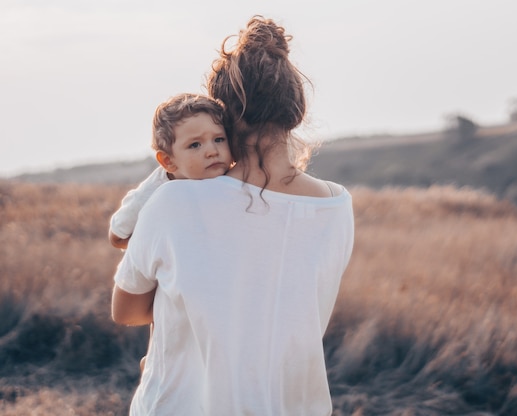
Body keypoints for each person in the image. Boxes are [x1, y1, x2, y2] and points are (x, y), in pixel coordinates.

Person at [112, 15, 354, 416]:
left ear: (221, 114)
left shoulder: (174, 202)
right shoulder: (337, 206)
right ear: (294, 110)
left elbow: (127, 311)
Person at [109, 92, 233, 250]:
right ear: (168, 161)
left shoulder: (233, 178)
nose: (212, 151)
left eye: (219, 139)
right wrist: (163, 246)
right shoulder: (150, 194)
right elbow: (117, 237)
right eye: (195, 145)